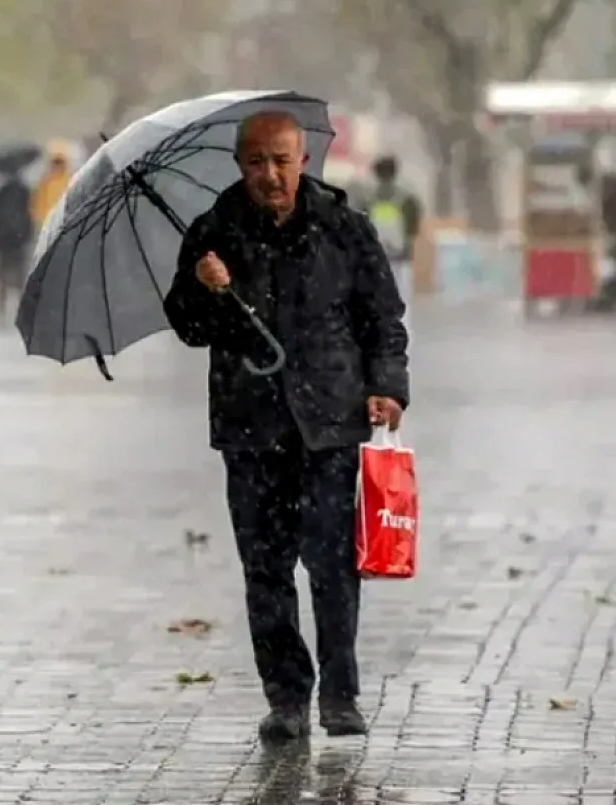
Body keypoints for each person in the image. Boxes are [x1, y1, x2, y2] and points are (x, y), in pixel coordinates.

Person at [163, 110, 410, 743]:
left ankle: (341, 695)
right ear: (240, 165)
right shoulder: (212, 234)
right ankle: (287, 698)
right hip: (251, 430)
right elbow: (188, 327)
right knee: (265, 570)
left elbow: (382, 317)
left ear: (302, 161)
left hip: (330, 423)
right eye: (255, 163)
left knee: (332, 568)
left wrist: (386, 386)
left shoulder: (345, 230)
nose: (269, 175)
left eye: (280, 161)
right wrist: (204, 288)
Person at [351, 155, 422, 302]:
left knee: (378, 298)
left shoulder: (368, 198)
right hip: (401, 254)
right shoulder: (407, 198)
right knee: (402, 296)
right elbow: (414, 226)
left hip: (375, 255)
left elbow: (360, 225)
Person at [0, 168, 34, 319]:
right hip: (19, 237)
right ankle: (22, 304)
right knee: (20, 272)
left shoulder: (0, 192)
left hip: (4, 238)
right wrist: (28, 234)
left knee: (2, 272)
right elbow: (29, 212)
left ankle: (2, 305)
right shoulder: (24, 190)